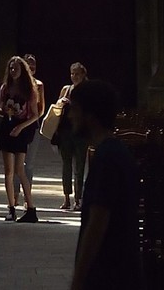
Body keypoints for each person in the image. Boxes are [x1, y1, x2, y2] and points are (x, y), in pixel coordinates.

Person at [68, 78, 140, 290]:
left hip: (109, 275)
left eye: (75, 110)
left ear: (90, 116)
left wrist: (78, 279)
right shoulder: (115, 152)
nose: (70, 116)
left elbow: (97, 223)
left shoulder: (107, 158)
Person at [0, 53, 41, 221]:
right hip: (7, 127)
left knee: (20, 170)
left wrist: (21, 127)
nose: (13, 71)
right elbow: (2, 111)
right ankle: (11, 207)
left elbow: (35, 115)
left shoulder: (29, 89)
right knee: (8, 171)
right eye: (11, 68)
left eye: (17, 68)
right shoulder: (5, 88)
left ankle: (31, 208)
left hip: (21, 128)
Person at [54, 60, 90, 212]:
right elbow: (57, 108)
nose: (74, 77)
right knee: (66, 165)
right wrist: (61, 102)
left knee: (80, 166)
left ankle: (78, 198)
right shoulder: (66, 89)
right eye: (72, 74)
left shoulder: (87, 90)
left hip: (81, 132)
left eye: (77, 74)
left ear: (83, 75)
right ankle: (66, 197)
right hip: (65, 132)